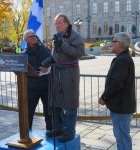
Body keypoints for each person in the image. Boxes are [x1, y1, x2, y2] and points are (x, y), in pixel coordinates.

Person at [46, 14, 85, 142]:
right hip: (56, 74)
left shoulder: (75, 36)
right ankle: (58, 128)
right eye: (56, 23)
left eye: (59, 23)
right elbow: (55, 56)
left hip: (69, 76)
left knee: (70, 105)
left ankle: (69, 132)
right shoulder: (56, 37)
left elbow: (78, 53)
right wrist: (45, 63)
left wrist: (63, 44)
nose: (57, 25)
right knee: (56, 103)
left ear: (67, 24)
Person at [98, 32, 136, 150]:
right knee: (120, 137)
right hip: (119, 105)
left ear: (119, 44)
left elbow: (117, 83)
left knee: (122, 138)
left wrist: (104, 97)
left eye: (113, 41)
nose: (111, 44)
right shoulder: (121, 58)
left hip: (121, 107)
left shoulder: (123, 60)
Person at [23, 29, 53, 133]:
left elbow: (51, 58)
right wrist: (39, 67)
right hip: (32, 86)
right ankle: (27, 131)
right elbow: (25, 67)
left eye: (35, 35)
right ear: (26, 40)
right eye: (31, 36)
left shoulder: (43, 49)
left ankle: (50, 129)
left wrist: (47, 65)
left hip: (46, 84)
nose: (34, 37)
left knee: (49, 109)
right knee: (29, 110)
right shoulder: (24, 53)